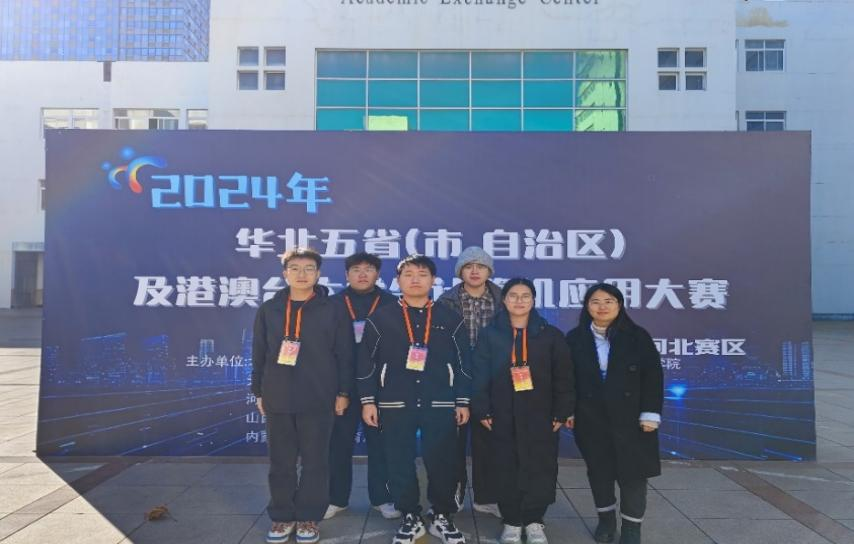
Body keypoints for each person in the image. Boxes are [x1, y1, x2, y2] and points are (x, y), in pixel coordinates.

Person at [357, 254, 471, 544]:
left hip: (440, 403)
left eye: (422, 274)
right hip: (395, 402)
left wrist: (462, 400)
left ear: (433, 280)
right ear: (398, 281)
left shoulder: (450, 317)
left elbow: (464, 363)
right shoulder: (381, 318)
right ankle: (410, 515)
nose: (415, 279)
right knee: (398, 460)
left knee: (442, 460)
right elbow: (366, 363)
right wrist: (368, 401)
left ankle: (442, 515)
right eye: (408, 274)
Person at [251, 247, 354, 544]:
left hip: (319, 396)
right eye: (295, 268)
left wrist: (343, 392)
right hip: (278, 395)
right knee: (280, 462)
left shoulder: (333, 309)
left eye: (309, 268)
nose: (302, 274)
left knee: (315, 461)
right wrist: (258, 391)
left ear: (318, 274)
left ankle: (309, 516)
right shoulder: (270, 309)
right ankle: (282, 516)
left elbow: (345, 353)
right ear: (285, 273)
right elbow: (259, 352)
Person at [471, 278, 575, 544]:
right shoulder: (490, 334)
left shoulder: (550, 335)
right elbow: (478, 375)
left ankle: (535, 521)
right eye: (513, 295)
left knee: (540, 466)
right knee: (505, 466)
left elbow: (564, 376)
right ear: (504, 300)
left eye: (525, 295)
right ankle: (511, 521)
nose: (519, 300)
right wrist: (482, 410)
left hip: (541, 415)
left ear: (533, 300)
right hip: (501, 414)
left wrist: (561, 411)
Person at [564, 283, 664, 544]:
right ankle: (606, 522)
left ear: (619, 305)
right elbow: (566, 379)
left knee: (633, 475)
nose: (602, 307)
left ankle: (631, 530)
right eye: (595, 301)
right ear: (587, 306)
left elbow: (653, 377)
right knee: (599, 473)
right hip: (591, 418)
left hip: (632, 420)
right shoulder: (575, 338)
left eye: (609, 301)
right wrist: (568, 410)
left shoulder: (637, 336)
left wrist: (650, 413)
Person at [325, 252, 401, 521]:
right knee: (338, 445)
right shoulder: (332, 304)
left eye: (368, 269)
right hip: (341, 388)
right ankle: (336, 498)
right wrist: (337, 389)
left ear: (377, 274)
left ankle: (382, 498)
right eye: (356, 269)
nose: (362, 274)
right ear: (347, 274)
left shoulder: (391, 304)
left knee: (381, 446)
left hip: (379, 387)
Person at [436, 246, 504, 518]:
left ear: (489, 271)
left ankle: (487, 497)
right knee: (453, 442)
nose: (475, 271)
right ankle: (454, 497)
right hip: (456, 378)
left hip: (493, 379)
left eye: (481, 266)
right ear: (460, 272)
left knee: (489, 440)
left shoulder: (504, 299)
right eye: (468, 266)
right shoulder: (446, 301)